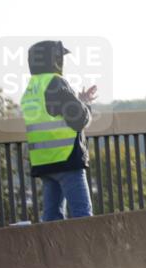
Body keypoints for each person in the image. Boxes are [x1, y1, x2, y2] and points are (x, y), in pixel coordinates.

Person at [21, 40, 96, 221]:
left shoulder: (32, 87)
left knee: (52, 219)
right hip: (67, 159)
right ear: (54, 59)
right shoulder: (56, 82)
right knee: (83, 216)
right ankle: (85, 250)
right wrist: (85, 105)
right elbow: (79, 119)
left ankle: (53, 250)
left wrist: (79, 100)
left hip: (45, 163)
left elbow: (53, 112)